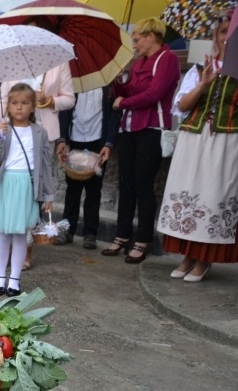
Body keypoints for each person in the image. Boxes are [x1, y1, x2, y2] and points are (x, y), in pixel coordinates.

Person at [157, 9, 238, 282]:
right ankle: (187, 256)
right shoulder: (201, 67)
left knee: (213, 195)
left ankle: (204, 259)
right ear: (216, 36)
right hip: (193, 138)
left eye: (232, 33)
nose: (228, 38)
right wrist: (203, 85)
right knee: (188, 193)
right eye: (224, 32)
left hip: (225, 140)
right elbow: (181, 106)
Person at [0, 18, 75, 270]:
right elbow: (3, 98)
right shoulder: (12, 60)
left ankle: (25, 249)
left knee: (32, 192)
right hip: (11, 132)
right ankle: (8, 244)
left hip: (41, 133)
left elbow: (69, 99)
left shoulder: (58, 62)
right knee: (10, 192)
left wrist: (50, 101)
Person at [105, 17, 180, 264]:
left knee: (143, 184)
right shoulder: (139, 63)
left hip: (151, 128)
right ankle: (122, 235)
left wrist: (123, 102)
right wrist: (118, 84)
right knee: (126, 183)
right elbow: (129, 92)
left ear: (151, 36)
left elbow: (154, 94)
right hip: (130, 129)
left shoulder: (167, 59)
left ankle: (143, 239)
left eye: (136, 39)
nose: (134, 44)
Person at [0, 83, 53, 297]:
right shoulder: (3, 129)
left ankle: (14, 279)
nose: (19, 108)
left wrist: (48, 194)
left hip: (26, 185)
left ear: (33, 107)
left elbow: (46, 164)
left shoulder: (40, 132)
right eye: (14, 103)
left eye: (24, 103)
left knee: (21, 234)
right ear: (8, 107)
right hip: (5, 184)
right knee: (3, 234)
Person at [54, 85, 121, 249]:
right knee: (72, 189)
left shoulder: (108, 88)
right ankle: (67, 230)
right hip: (75, 139)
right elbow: (64, 112)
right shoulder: (74, 84)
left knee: (93, 190)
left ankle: (90, 233)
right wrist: (62, 139)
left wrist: (109, 143)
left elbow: (114, 116)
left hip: (98, 142)